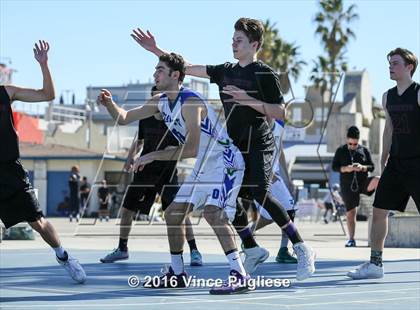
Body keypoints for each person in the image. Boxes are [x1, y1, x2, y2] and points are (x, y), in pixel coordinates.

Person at [131, 17, 315, 280]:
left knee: (259, 192)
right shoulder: (225, 70)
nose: (233, 44)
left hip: (259, 144)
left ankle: (301, 247)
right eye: (232, 40)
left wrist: (248, 100)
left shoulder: (263, 73)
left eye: (239, 40)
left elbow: (280, 111)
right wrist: (156, 49)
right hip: (232, 145)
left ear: (254, 44)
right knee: (226, 199)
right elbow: (187, 68)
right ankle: (251, 249)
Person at [98, 53, 250, 294]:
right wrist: (108, 104)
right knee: (173, 214)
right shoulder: (159, 101)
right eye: (155, 69)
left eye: (160, 70)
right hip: (204, 166)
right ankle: (177, 274)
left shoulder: (190, 102)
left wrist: (151, 155)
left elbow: (190, 149)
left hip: (226, 162)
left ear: (175, 75)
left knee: (213, 214)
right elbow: (124, 117)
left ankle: (240, 274)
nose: (154, 74)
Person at [0, 40, 86, 283]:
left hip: (9, 169)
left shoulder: (6, 92)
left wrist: (44, 65)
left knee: (37, 222)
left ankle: (64, 256)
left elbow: (48, 95)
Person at [100, 86, 202, 266]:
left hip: (167, 173)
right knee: (127, 209)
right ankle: (122, 249)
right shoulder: (146, 118)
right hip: (144, 172)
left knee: (179, 213)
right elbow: (138, 141)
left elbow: (189, 145)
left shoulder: (176, 120)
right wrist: (130, 158)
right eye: (157, 98)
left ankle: (194, 251)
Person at [348, 48, 419, 279]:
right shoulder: (387, 96)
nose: (390, 67)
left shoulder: (418, 93)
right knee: (379, 212)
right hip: (396, 164)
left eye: (395, 63)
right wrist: (383, 158)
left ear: (409, 67)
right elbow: (388, 129)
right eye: (389, 63)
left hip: (417, 163)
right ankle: (375, 264)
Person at [249, 119, 297, 264]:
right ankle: (282, 250)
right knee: (287, 211)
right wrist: (267, 172)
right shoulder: (256, 125)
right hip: (263, 173)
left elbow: (279, 149)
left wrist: (287, 177)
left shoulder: (280, 124)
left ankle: (248, 238)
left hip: (274, 174)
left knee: (271, 216)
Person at [332, 126, 380, 247]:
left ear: (358, 141)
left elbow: (372, 167)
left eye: (355, 144)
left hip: (363, 182)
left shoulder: (364, 150)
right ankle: (351, 239)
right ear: (347, 139)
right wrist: (346, 168)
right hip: (348, 186)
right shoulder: (341, 151)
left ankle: (385, 206)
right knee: (351, 213)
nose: (353, 146)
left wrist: (363, 167)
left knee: (378, 180)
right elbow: (334, 167)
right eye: (350, 143)